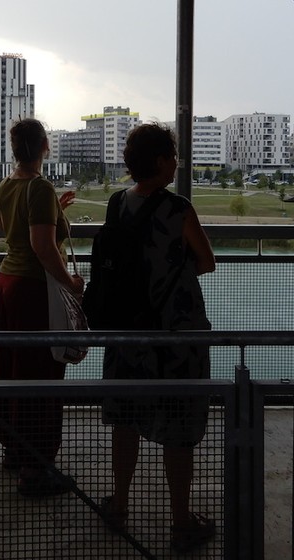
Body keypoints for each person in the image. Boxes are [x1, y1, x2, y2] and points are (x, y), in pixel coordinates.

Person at [98, 124, 218, 554]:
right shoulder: (178, 208)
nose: (176, 162)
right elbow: (207, 262)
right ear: (161, 161)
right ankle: (181, 521)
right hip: (175, 335)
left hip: (127, 331)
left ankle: (119, 503)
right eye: (172, 155)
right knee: (178, 428)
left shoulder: (117, 204)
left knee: (126, 420)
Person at [0, 118, 83, 497]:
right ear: (45, 145)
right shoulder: (40, 187)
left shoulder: (7, 185)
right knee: (41, 376)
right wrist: (71, 284)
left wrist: (54, 209)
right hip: (32, 291)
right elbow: (43, 249)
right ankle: (36, 469)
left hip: (6, 286)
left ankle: (16, 452)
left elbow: (8, 230)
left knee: (12, 372)